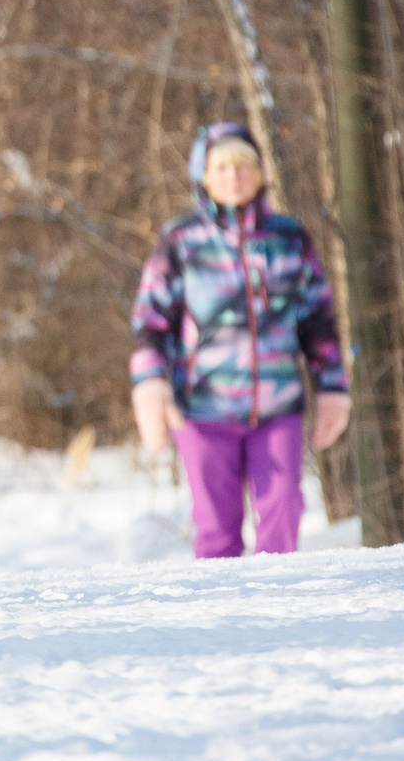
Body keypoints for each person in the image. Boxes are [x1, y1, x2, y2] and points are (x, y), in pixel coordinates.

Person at [130, 122, 353, 557]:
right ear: (204, 177)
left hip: (277, 408)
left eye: (244, 165)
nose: (235, 176)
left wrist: (332, 389)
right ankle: (223, 620)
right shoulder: (181, 242)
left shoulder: (289, 239)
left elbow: (319, 321)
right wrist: (151, 385)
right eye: (223, 167)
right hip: (202, 411)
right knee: (216, 528)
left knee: (284, 512)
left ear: (261, 172)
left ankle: (278, 615)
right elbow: (150, 320)